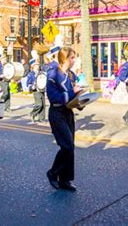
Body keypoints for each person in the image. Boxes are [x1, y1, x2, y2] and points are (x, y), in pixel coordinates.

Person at [46, 46, 80, 191]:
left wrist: (81, 101)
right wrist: (73, 93)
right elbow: (54, 97)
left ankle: (65, 180)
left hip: (67, 112)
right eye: (72, 57)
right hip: (57, 113)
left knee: (70, 147)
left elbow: (74, 96)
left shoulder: (71, 75)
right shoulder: (53, 74)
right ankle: (53, 173)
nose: (74, 60)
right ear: (65, 59)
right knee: (67, 145)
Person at [26, 59, 46, 123]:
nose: (38, 66)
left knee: (43, 105)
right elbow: (28, 83)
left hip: (42, 89)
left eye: (38, 65)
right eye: (36, 65)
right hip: (36, 90)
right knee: (39, 104)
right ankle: (32, 114)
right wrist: (32, 86)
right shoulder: (31, 74)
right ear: (33, 66)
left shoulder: (41, 72)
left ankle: (41, 118)